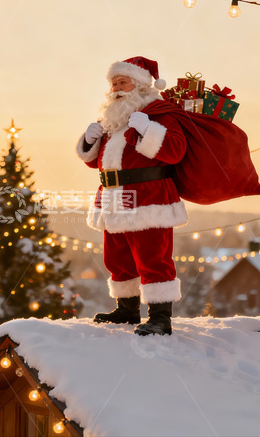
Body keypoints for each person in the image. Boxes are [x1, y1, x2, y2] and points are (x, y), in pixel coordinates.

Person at [76, 56, 187, 336]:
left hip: (149, 197)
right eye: (113, 83)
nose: (115, 88)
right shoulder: (113, 118)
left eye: (122, 82)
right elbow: (98, 161)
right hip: (113, 196)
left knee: (152, 257)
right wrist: (89, 141)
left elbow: (175, 150)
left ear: (139, 84)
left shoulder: (160, 114)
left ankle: (160, 318)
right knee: (117, 257)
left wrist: (148, 129)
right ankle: (126, 309)